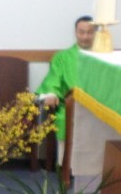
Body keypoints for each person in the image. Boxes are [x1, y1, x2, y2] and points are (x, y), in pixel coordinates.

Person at [35, 15, 96, 147]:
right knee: (65, 121)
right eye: (81, 32)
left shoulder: (105, 59)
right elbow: (53, 80)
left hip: (98, 111)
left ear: (95, 33)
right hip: (70, 109)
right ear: (75, 33)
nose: (85, 37)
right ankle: (65, 160)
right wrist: (51, 94)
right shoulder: (62, 58)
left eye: (90, 32)